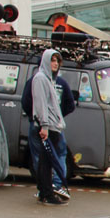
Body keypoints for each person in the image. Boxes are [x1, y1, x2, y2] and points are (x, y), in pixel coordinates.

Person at [27, 49, 74, 205]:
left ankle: (44, 191)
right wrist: (45, 125)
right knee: (48, 161)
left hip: (53, 125)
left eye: (57, 61)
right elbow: (40, 104)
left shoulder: (50, 79)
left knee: (45, 161)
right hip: (47, 126)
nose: (55, 64)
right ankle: (48, 193)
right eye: (52, 60)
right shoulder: (40, 79)